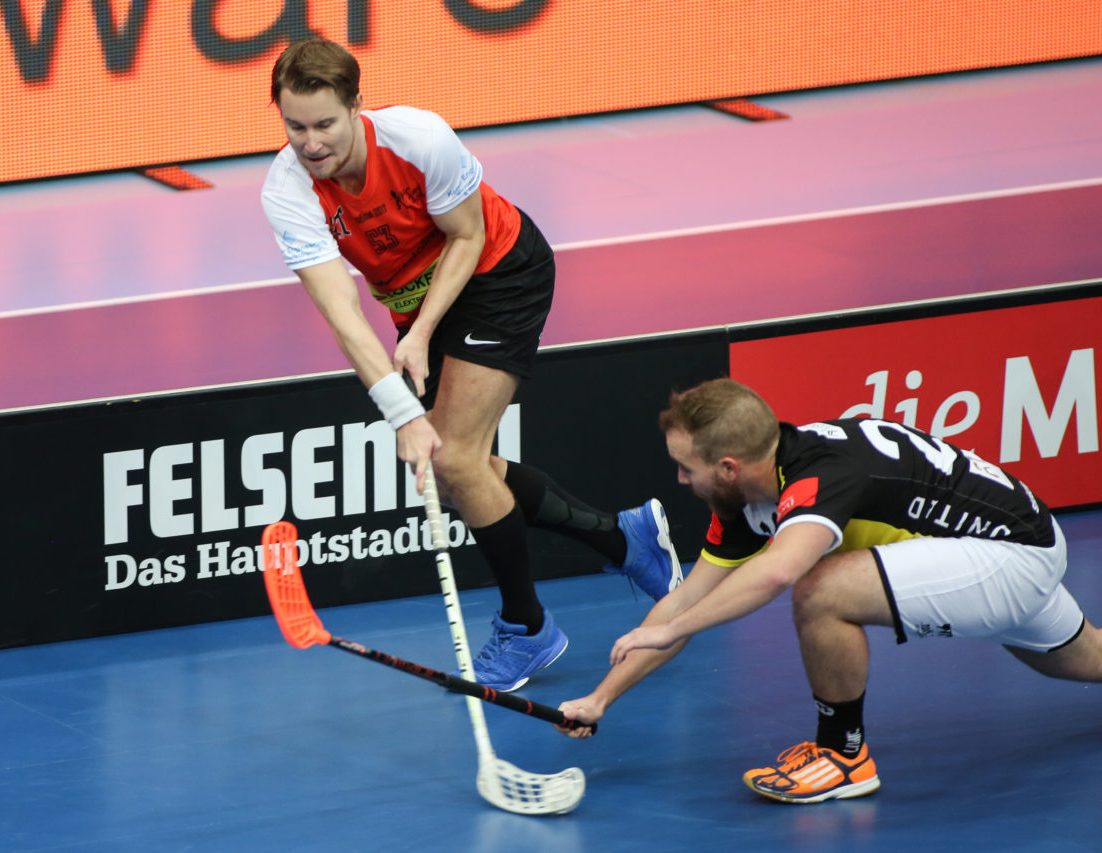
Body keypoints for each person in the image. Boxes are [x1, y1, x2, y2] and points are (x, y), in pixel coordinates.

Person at [259, 37, 680, 692]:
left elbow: (467, 232)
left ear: (356, 107)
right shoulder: (288, 191)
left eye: (324, 124)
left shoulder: (419, 139)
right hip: (411, 294)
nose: (310, 143)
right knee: (462, 470)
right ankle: (624, 539)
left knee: (453, 457)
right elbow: (342, 313)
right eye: (295, 126)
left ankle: (527, 626)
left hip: (496, 270)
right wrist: (401, 409)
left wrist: (423, 332)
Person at [557, 377, 1102, 803]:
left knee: (822, 591)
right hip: (1006, 549)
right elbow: (683, 601)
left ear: (727, 467)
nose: (679, 480)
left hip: (1014, 556)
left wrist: (674, 629)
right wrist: (599, 699)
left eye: (685, 468)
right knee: (1079, 660)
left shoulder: (819, 475)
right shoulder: (749, 495)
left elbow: (779, 572)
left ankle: (843, 756)